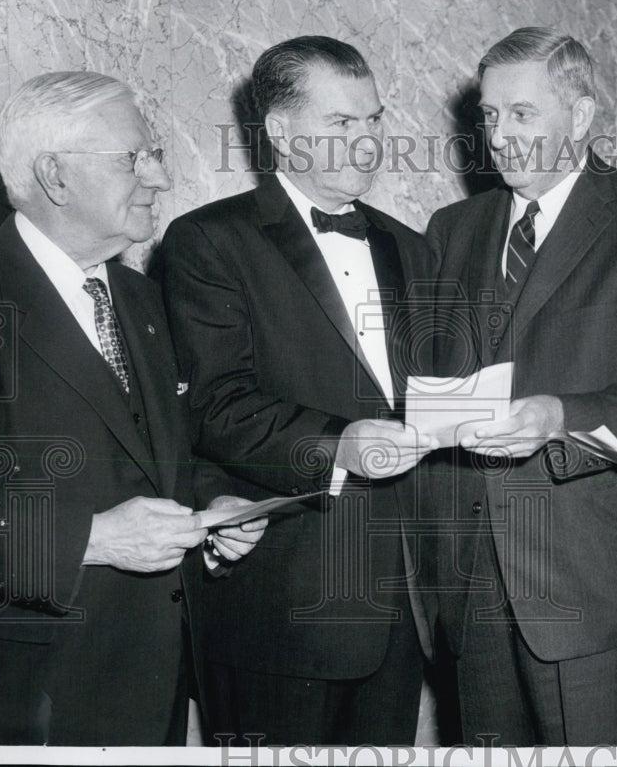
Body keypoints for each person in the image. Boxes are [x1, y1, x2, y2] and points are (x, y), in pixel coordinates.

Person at [0, 71, 263, 746]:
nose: (160, 178)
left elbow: (160, 453)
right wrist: (92, 539)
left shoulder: (140, 296)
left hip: (155, 684)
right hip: (33, 697)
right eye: (134, 158)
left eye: (156, 155)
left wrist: (214, 506)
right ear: (55, 176)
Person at [424, 27, 617, 745]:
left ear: (581, 116)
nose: (498, 136)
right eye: (490, 115)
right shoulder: (451, 229)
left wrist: (561, 416)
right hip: (473, 589)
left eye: (522, 114)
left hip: (595, 592)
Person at [155, 36, 435, 745]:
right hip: (279, 606)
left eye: (374, 119)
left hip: (402, 605)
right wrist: (337, 443)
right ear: (280, 131)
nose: (369, 141)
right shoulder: (207, 240)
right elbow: (213, 404)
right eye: (342, 123)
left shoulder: (411, 246)